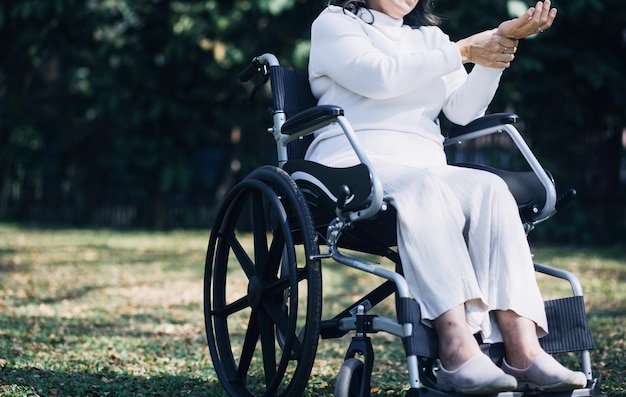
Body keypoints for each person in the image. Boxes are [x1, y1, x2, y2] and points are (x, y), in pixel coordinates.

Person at [305, 0, 588, 394]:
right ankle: (457, 349)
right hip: (352, 162)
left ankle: (524, 351)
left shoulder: (429, 38)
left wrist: (498, 47)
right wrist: (463, 50)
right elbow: (380, 77)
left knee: (490, 189)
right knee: (425, 188)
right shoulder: (335, 24)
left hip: (425, 164)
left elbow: (463, 111)